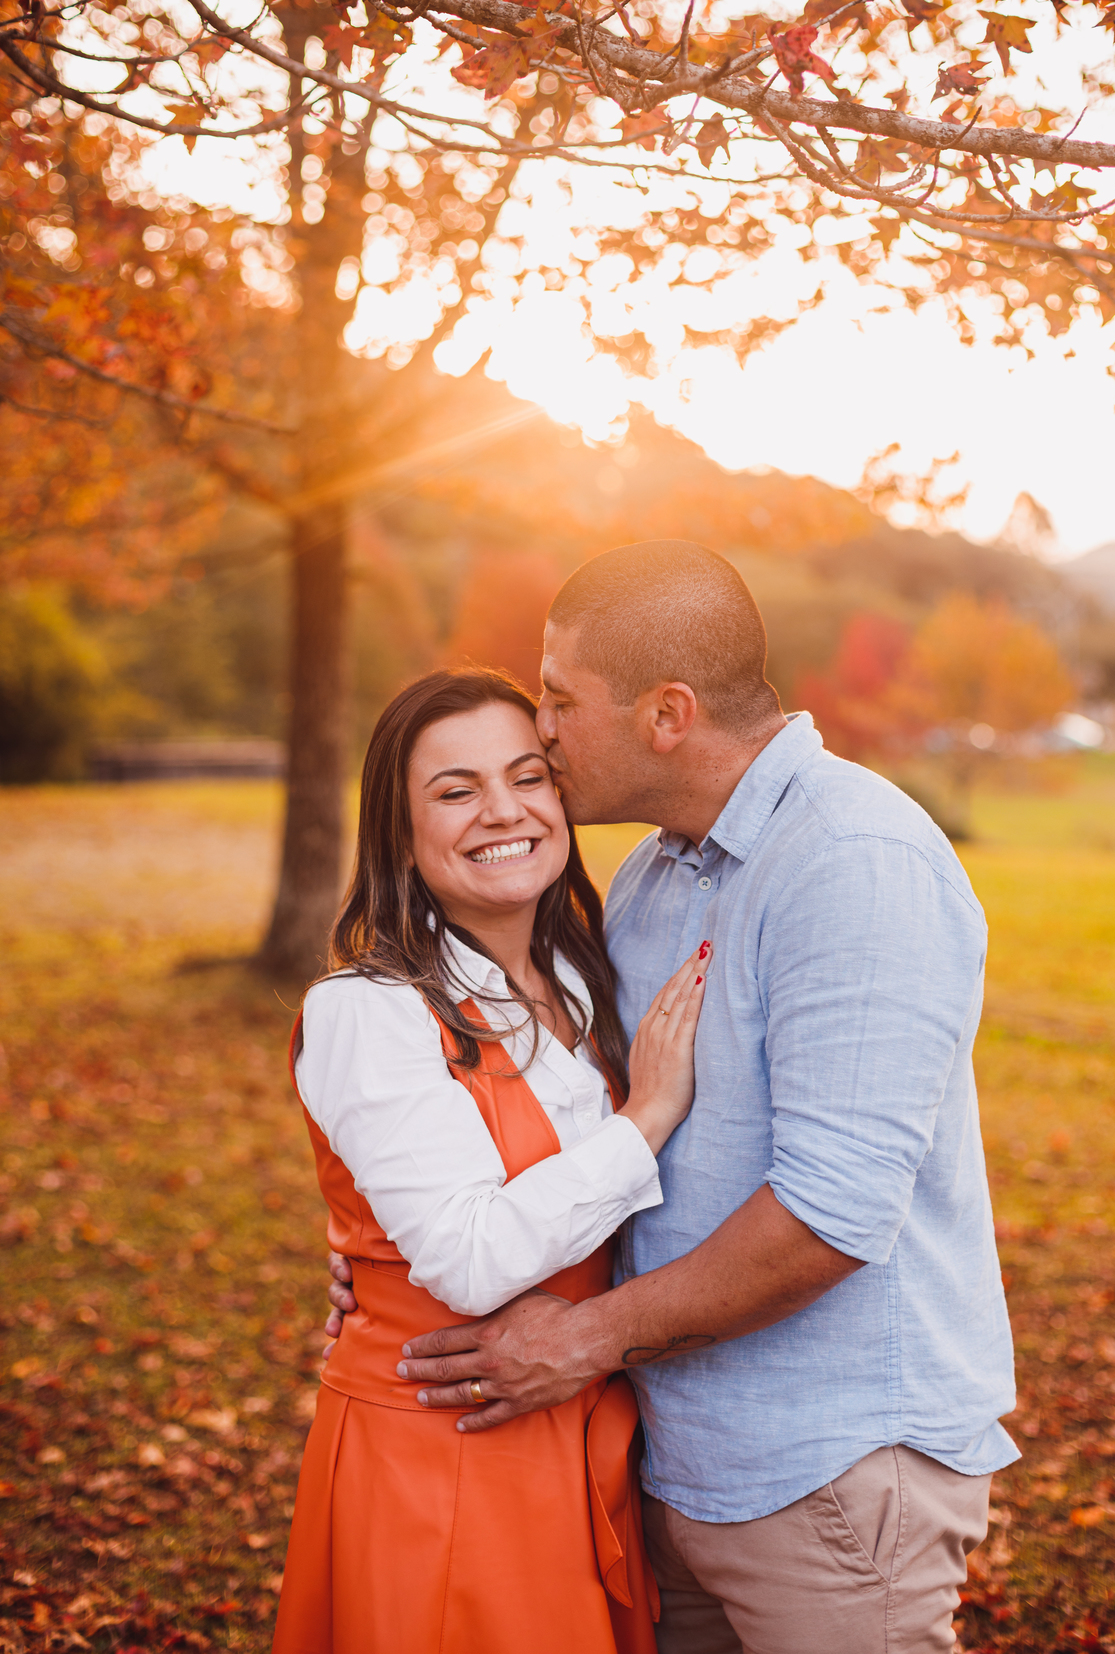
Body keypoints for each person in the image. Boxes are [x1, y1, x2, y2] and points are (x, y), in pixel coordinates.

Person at [328, 540, 1019, 1654]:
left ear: (668, 714)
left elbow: (830, 1217)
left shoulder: (856, 862)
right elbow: (568, 1112)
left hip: (828, 1472)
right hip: (665, 1459)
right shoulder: (656, 871)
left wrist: (586, 1337)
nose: (539, 731)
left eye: (559, 700)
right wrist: (392, 1264)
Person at [272, 667, 709, 1654]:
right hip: (443, 1446)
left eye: (528, 777)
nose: (503, 812)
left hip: (585, 1427)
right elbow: (466, 1261)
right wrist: (643, 1120)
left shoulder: (586, 974)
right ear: (399, 826)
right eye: (456, 790)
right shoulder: (368, 1011)